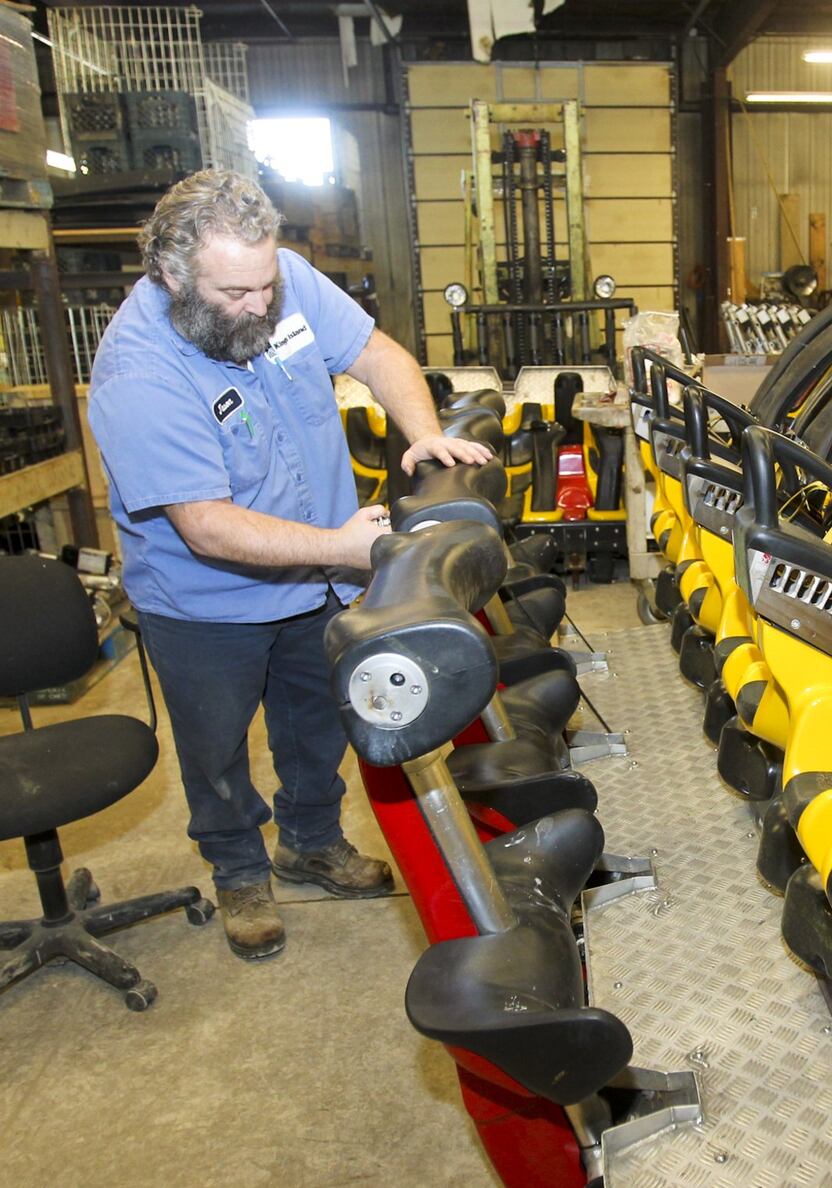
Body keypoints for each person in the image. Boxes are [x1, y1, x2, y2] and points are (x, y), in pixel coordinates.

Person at [88, 170, 492, 960]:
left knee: (316, 722)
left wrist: (421, 434)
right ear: (173, 278)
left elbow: (376, 353)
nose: (260, 306)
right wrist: (345, 547)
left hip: (317, 580)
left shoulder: (279, 279)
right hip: (206, 604)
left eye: (266, 285)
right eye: (237, 293)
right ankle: (239, 871)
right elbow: (206, 527)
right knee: (217, 750)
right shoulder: (138, 373)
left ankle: (309, 840)